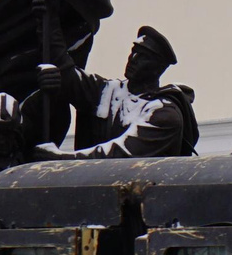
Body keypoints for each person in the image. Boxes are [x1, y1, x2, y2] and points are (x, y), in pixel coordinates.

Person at [25, 26, 200, 160]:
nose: (132, 60)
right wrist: (49, 21)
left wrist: (62, 160)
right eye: (133, 52)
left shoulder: (165, 115)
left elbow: (120, 156)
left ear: (158, 69)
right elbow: (66, 71)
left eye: (143, 57)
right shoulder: (108, 91)